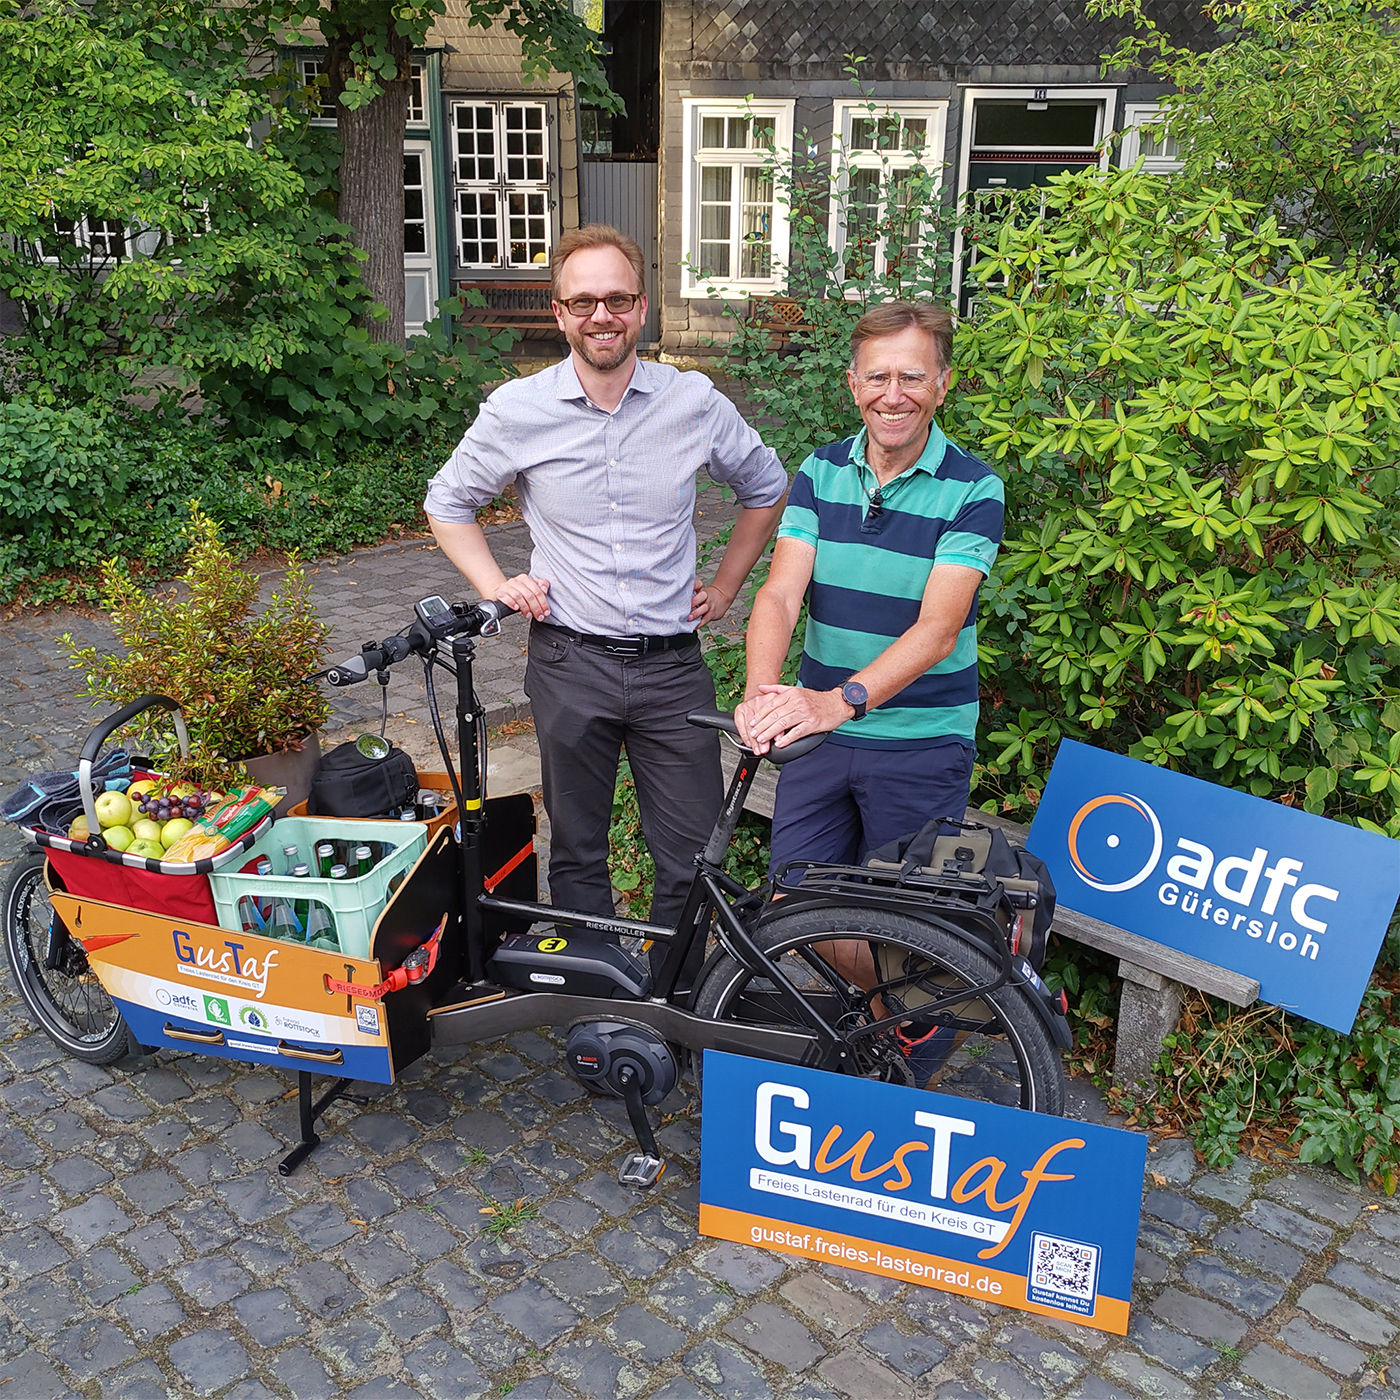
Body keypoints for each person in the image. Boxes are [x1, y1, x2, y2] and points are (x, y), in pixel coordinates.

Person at [424, 225, 787, 939]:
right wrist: (498, 586)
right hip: (568, 665)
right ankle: (598, 1009)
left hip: (672, 670)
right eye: (583, 300)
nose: (601, 316)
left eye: (617, 298)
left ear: (642, 307)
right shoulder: (517, 411)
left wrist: (725, 586)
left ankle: (673, 1008)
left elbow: (766, 487)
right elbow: (447, 502)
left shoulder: (694, 402)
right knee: (580, 854)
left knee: (689, 860)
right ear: (559, 312)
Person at [733, 302, 1004, 1082]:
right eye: (878, 376)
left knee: (902, 927)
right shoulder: (821, 470)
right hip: (821, 737)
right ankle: (903, 1028)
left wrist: (836, 700)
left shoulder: (972, 488)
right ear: (853, 385)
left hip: (920, 740)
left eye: (912, 377)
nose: (894, 393)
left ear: (942, 385)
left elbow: (938, 630)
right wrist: (763, 692)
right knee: (796, 907)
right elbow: (782, 595)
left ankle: (904, 1045)